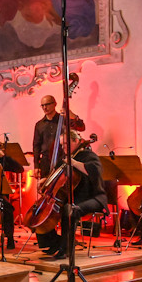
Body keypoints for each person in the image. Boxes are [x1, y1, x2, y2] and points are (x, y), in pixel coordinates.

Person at [32, 94, 86, 252]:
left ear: (54, 104)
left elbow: (81, 127)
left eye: (47, 104)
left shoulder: (63, 120)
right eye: (42, 105)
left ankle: (66, 240)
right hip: (46, 164)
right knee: (46, 203)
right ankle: (51, 241)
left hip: (63, 164)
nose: (45, 108)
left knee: (62, 202)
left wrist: (70, 113)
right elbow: (36, 146)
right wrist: (36, 166)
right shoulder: (39, 125)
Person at [49, 130, 107, 259]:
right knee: (50, 211)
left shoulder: (88, 155)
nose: (63, 147)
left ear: (76, 141)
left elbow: (96, 171)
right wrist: (45, 181)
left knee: (69, 209)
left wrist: (74, 163)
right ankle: (53, 243)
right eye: (62, 145)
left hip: (94, 197)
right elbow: (54, 175)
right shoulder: (65, 158)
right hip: (75, 197)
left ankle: (66, 249)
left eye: (66, 144)